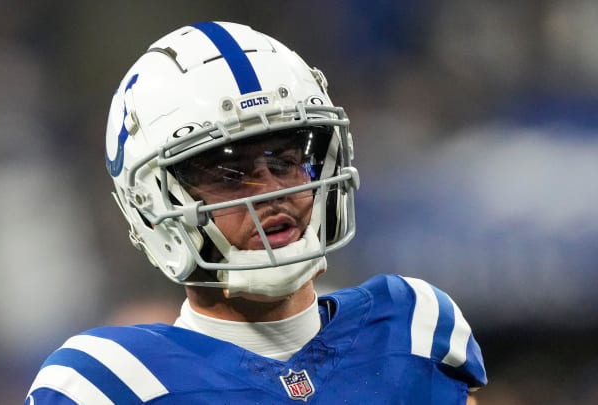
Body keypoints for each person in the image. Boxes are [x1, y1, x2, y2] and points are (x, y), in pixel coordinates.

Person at [25, 21, 487, 404]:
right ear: (153, 206)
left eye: (285, 162)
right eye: (229, 174)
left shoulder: (413, 328)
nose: (271, 192)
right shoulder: (107, 383)